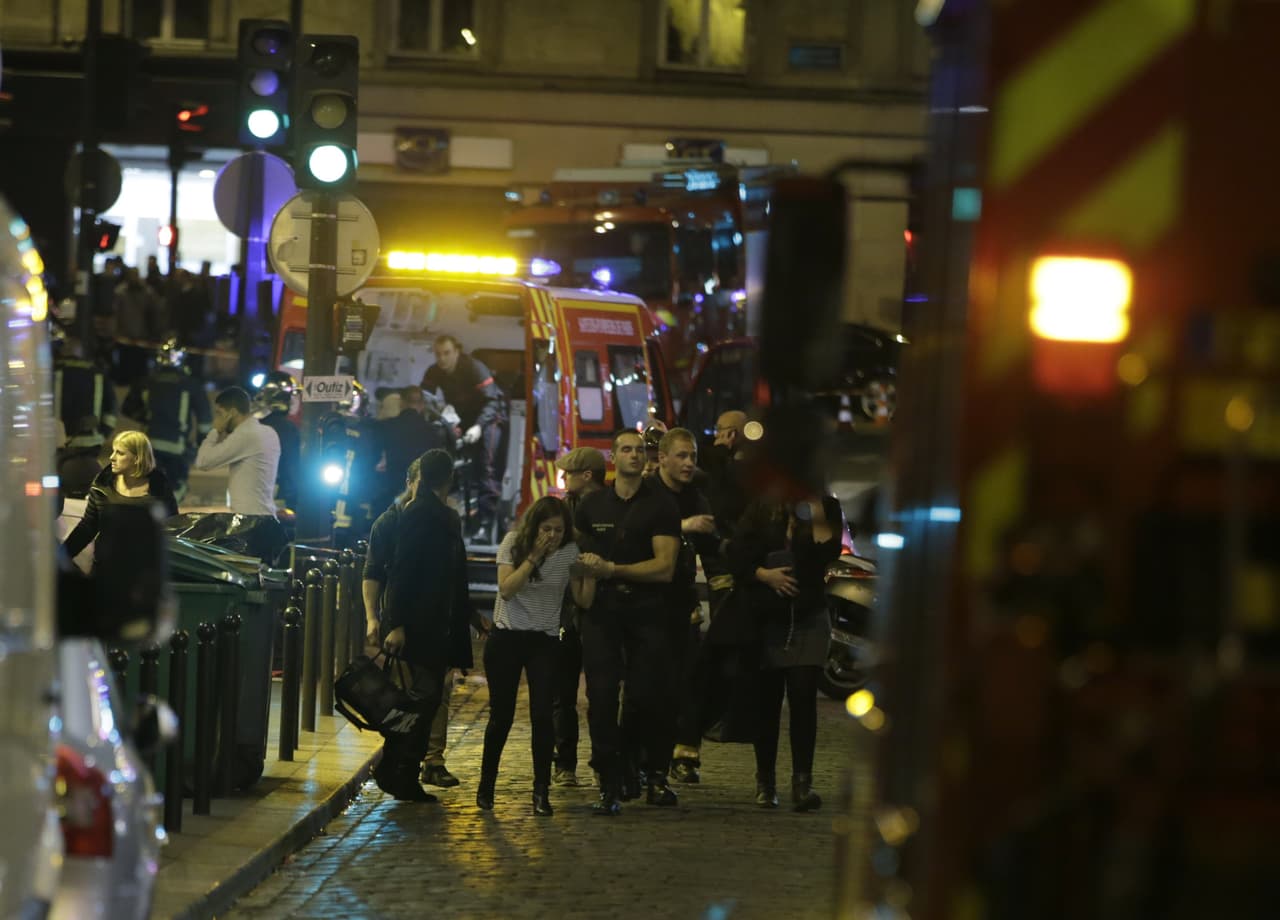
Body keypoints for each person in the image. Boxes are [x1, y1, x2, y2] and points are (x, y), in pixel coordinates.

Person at [363, 449, 481, 802]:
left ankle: (405, 768)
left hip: (435, 625)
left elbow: (453, 574)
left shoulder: (443, 517)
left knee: (426, 699)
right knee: (421, 700)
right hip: (419, 626)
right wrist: (392, 623)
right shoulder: (413, 516)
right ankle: (398, 768)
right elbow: (398, 573)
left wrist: (468, 614)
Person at [574, 429, 681, 815]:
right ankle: (608, 780)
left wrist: (612, 569)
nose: (634, 456)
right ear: (613, 457)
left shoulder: (662, 506)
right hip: (601, 613)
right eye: (626, 449)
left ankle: (636, 768)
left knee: (643, 697)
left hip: (647, 611)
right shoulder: (591, 506)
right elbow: (577, 558)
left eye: (639, 450)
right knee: (600, 698)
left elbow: (665, 567)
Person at [478, 497, 599, 816]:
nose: (553, 536)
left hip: (544, 641)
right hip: (506, 637)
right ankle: (486, 786)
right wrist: (533, 558)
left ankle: (541, 790)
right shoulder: (513, 543)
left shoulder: (568, 552)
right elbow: (506, 588)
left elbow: (583, 600)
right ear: (534, 526)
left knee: (543, 714)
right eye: (547, 528)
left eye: (559, 530)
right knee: (501, 716)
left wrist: (591, 574)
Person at [727, 493, 842, 812]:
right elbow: (738, 555)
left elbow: (829, 550)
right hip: (768, 618)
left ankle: (802, 782)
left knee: (804, 696)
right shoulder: (761, 506)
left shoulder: (825, 507)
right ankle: (765, 782)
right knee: (767, 700)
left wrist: (816, 506)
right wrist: (765, 575)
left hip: (808, 615)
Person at [647, 428, 725, 786]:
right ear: (662, 458)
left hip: (686, 607)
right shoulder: (648, 494)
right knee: (648, 687)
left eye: (692, 456)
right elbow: (635, 535)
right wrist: (683, 526)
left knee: (692, 683)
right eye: (681, 455)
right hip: (648, 606)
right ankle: (646, 759)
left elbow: (713, 548)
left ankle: (684, 755)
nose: (689, 463)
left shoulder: (697, 496)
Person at [550, 446, 608, 786]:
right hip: (566, 610)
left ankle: (603, 763)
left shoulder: (606, 508)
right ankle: (565, 762)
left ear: (586, 476)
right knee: (563, 693)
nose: (563, 478)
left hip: (600, 610)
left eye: (569, 473)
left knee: (602, 693)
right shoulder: (562, 509)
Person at [420, 334, 507, 538]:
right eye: (438, 354)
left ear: (456, 351)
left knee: (487, 467)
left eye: (447, 353)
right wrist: (441, 413)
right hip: (463, 419)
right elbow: (424, 396)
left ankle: (487, 524)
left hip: (490, 417)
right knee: (461, 469)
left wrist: (478, 427)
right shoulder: (435, 371)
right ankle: (459, 517)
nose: (442, 358)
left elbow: (492, 402)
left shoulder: (473, 368)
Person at [61, 431, 178, 568]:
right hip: (107, 567)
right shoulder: (102, 485)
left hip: (145, 570)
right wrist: (60, 557)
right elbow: (88, 527)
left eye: (120, 453)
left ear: (137, 458)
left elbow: (173, 527)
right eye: (113, 451)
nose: (112, 457)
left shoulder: (159, 487)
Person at [121, 338, 212, 503]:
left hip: (149, 445)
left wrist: (145, 417)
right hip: (176, 448)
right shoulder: (191, 385)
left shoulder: (147, 381)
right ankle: (168, 517)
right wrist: (201, 442)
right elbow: (204, 418)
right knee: (177, 486)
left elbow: (127, 408)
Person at [193, 386, 281, 516]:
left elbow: (203, 462)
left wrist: (215, 431)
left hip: (249, 519)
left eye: (219, 413)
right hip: (266, 515)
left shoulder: (245, 435)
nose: (216, 419)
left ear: (232, 413)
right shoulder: (269, 432)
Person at [376, 385, 443, 516]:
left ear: (402, 403)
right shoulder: (432, 432)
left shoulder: (387, 427)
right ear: (422, 405)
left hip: (392, 492)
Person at [254, 376, 301, 510]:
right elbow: (292, 468)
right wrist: (294, 498)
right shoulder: (287, 429)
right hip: (275, 498)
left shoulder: (251, 424)